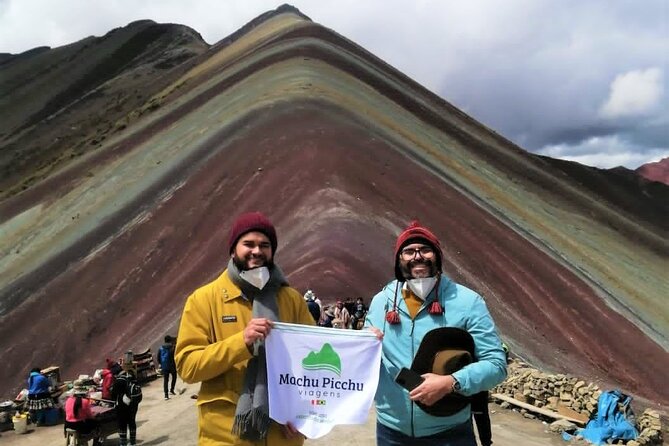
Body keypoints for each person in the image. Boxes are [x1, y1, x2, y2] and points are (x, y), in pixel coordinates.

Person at [174, 211, 316, 445]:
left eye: (265, 245)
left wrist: (305, 416)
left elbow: (312, 360)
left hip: (282, 435)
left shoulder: (291, 299)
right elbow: (188, 367)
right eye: (248, 244)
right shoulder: (203, 300)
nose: (257, 251)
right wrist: (241, 343)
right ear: (233, 250)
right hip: (225, 436)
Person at [365, 220, 507, 446]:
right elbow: (366, 357)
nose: (417, 256)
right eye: (409, 251)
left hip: (449, 431)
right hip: (391, 431)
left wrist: (450, 382)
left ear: (438, 257)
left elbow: (496, 364)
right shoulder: (381, 302)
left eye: (425, 250)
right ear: (398, 260)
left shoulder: (468, 302)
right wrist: (365, 340)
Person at [112, 369, 141, 446]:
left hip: (122, 406)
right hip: (133, 405)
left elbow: (113, 396)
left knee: (122, 424)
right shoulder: (132, 379)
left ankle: (123, 443)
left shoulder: (118, 381)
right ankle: (133, 442)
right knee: (132, 422)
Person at [159, 335, 177, 400]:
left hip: (164, 366)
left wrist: (161, 364)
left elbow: (158, 357)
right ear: (170, 340)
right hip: (172, 366)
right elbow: (175, 356)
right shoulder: (173, 347)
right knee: (174, 377)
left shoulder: (161, 348)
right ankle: (172, 389)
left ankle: (166, 395)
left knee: (165, 380)